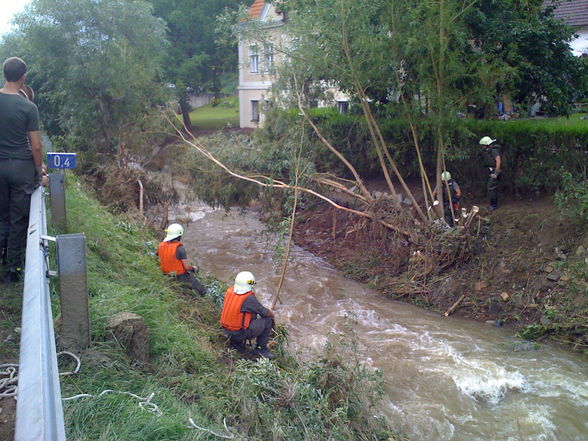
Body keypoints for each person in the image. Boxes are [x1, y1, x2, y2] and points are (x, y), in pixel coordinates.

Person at [0, 57, 46, 283]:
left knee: (1, 217)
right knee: (18, 219)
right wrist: (38, 170)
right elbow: (36, 145)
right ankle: (12, 270)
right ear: (22, 77)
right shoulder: (28, 107)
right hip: (20, 168)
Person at [220, 271, 275, 359]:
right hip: (238, 334)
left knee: (249, 315)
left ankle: (236, 344)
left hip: (225, 331)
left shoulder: (230, 291)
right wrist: (273, 317)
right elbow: (265, 312)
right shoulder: (249, 298)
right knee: (268, 321)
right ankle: (260, 348)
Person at [157, 223, 207, 296]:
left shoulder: (160, 245)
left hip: (165, 275)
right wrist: (194, 268)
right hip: (179, 276)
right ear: (179, 236)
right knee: (201, 289)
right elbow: (187, 267)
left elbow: (159, 257)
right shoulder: (180, 248)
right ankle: (204, 295)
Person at [479, 136, 502, 211]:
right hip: (490, 171)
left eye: (482, 145)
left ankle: (494, 205)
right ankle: (492, 204)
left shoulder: (494, 150)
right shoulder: (488, 151)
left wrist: (496, 173)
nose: (482, 147)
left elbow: (498, 161)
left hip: (495, 171)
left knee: (490, 187)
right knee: (491, 187)